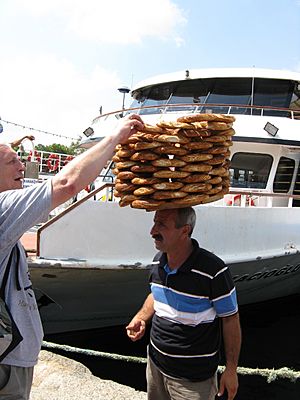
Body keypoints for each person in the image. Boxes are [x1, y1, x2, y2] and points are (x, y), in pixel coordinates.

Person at [0, 114, 144, 399]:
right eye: (11, 162)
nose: (22, 165)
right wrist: (115, 138)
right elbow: (67, 183)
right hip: (6, 362)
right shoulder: (3, 208)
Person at [126, 207, 241, 400]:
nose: (152, 231)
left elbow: (230, 320)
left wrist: (231, 370)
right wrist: (141, 317)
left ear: (185, 230)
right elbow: (157, 294)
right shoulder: (157, 262)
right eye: (155, 222)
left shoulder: (214, 271)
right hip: (155, 367)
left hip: (193, 381)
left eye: (161, 224)